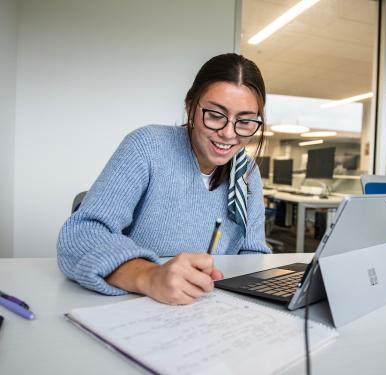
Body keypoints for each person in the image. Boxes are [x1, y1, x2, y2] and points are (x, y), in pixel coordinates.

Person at [57, 53, 271, 305]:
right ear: (190, 106)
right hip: (137, 305)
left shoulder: (246, 173)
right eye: (215, 114)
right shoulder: (147, 147)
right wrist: (149, 276)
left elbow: (253, 255)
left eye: (245, 121)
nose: (227, 134)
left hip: (210, 308)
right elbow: (79, 236)